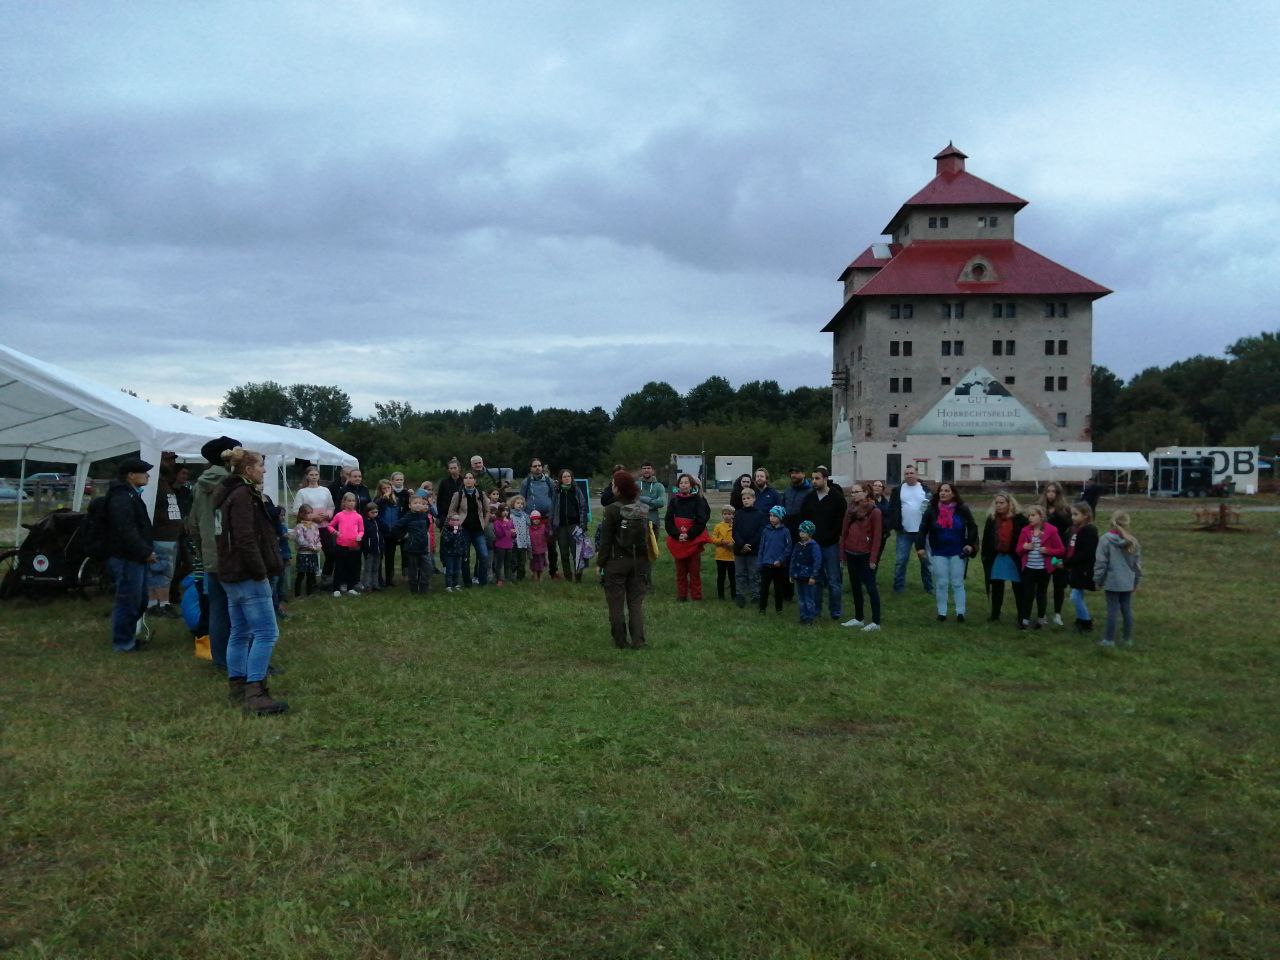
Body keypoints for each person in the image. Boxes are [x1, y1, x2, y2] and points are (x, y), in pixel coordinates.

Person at [212, 446, 287, 715]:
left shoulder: (225, 493)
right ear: (247, 470)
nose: (264, 470)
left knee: (240, 632)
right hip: (246, 574)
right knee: (266, 633)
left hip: (230, 572)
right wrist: (260, 571)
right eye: (260, 465)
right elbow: (245, 538)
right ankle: (255, 692)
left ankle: (238, 685)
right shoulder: (244, 495)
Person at [187, 434, 241, 671]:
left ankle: (220, 658)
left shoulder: (200, 485)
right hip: (231, 554)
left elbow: (193, 523)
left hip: (211, 554)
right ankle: (241, 660)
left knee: (218, 609)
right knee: (240, 610)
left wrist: (203, 550)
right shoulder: (231, 483)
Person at [105, 458, 156, 653]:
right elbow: (126, 529)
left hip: (134, 557)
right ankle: (123, 642)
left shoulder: (131, 495)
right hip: (126, 557)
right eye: (143, 471)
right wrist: (144, 551)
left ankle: (127, 638)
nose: (147, 475)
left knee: (140, 599)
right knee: (128, 600)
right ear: (131, 475)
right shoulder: (122, 497)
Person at [596, 469, 651, 649]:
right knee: (636, 604)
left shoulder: (611, 509)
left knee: (616, 604)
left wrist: (600, 563)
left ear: (618, 489)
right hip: (639, 561)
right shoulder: (641, 508)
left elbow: (605, 540)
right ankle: (639, 641)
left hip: (617, 562)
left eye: (613, 484)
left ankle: (620, 641)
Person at [915, 482, 979, 622]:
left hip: (958, 551)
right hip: (938, 551)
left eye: (946, 490)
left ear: (953, 493)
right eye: (941, 491)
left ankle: (960, 612)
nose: (943, 493)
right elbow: (923, 529)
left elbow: (973, 527)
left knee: (957, 582)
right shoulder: (932, 510)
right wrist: (920, 547)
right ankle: (942, 612)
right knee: (942, 582)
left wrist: (969, 545)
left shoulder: (962, 509)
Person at [799, 467, 845, 622]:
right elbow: (803, 518)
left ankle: (835, 611)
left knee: (833, 580)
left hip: (830, 545)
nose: (814, 481)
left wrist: (830, 537)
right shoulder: (810, 497)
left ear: (825, 479)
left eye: (817, 478)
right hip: (813, 545)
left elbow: (840, 522)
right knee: (815, 579)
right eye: (813, 478)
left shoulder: (837, 498)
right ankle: (816, 609)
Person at [1093, 511, 1142, 648]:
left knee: (1112, 610)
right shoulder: (1133, 541)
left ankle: (1109, 640)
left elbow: (1101, 563)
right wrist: (1136, 582)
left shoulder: (1105, 540)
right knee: (1126, 609)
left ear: (1111, 522)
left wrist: (1097, 580)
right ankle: (1127, 639)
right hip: (1128, 582)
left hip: (1112, 581)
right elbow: (1137, 565)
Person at [839, 481, 883, 632]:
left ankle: (876, 622)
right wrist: (842, 554)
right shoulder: (850, 510)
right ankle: (859, 618)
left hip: (865, 555)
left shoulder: (874, 512)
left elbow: (877, 537)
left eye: (857, 491)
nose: (854, 494)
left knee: (871, 588)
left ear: (865, 493)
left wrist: (873, 559)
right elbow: (844, 532)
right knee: (855, 587)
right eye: (852, 492)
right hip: (851, 553)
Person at [1015, 505, 1065, 630]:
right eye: (1029, 516)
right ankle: (1025, 619)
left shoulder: (1051, 531)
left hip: (1044, 569)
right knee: (1028, 594)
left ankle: (1041, 619)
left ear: (1041, 517)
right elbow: (1018, 549)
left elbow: (1061, 550)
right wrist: (1025, 547)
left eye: (1033, 515)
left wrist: (1048, 550)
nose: (1030, 518)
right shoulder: (1025, 531)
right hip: (1029, 568)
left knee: (1041, 594)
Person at [980, 491, 1026, 623]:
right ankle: (995, 614)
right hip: (997, 556)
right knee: (996, 585)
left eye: (1002, 503)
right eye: (997, 503)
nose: (999, 505)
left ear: (1009, 504)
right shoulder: (992, 519)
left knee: (1018, 587)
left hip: (1014, 557)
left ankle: (1022, 615)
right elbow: (987, 538)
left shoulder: (1020, 519)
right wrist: (985, 556)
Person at [664, 473, 710, 601]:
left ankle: (696, 595)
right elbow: (668, 520)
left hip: (693, 540)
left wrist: (689, 535)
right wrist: (677, 535)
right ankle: (682, 595)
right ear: (678, 485)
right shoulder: (674, 500)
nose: (683, 485)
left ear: (691, 485)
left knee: (694, 570)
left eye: (686, 482)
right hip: (678, 540)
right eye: (681, 483)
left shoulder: (698, 500)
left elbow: (701, 521)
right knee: (680, 571)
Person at [887, 465, 933, 594]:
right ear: (904, 475)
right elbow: (892, 509)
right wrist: (893, 525)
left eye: (911, 473)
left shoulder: (926, 490)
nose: (909, 475)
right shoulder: (898, 490)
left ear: (917, 474)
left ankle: (929, 587)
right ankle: (898, 588)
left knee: (926, 562)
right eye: (906, 473)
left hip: (922, 533)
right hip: (904, 533)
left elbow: (932, 509)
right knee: (901, 561)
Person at [147, 457, 184, 618]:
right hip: (161, 535)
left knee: (165, 571)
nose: (172, 463)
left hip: (169, 536)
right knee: (161, 571)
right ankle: (159, 604)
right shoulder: (155, 485)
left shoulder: (164, 484)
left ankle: (158, 603)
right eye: (168, 459)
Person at [448, 471, 490, 587]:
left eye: (471, 477)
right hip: (464, 529)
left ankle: (482, 581)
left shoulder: (481, 494)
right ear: (463, 481)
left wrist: (485, 524)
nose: (468, 479)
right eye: (466, 477)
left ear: (475, 481)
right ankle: (467, 582)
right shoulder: (458, 494)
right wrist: (456, 523)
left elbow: (487, 511)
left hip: (478, 530)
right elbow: (451, 511)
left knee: (484, 555)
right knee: (464, 557)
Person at [1064, 502, 1099, 634]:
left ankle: (1086, 621)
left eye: (1076, 514)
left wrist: (1070, 561)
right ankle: (1080, 619)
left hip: (1084, 567)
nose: (1073, 517)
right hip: (1075, 566)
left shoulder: (1089, 530)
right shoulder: (1073, 530)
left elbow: (1087, 552)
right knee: (1077, 593)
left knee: (1075, 596)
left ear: (1085, 515)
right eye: (1072, 514)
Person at [1041, 481, 1073, 626]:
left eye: (1053, 492)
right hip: (1044, 551)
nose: (1050, 494)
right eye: (1048, 491)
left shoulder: (1065, 510)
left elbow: (1069, 524)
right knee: (1043, 582)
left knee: (1059, 584)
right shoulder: (1041, 508)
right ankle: (1042, 614)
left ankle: (1057, 613)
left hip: (1059, 552)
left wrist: (1056, 514)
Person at [519, 459, 558, 578]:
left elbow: (554, 497)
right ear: (530, 468)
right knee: (534, 547)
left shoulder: (548, 481)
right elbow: (522, 499)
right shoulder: (526, 482)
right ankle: (535, 572)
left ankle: (553, 571)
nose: (537, 468)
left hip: (547, 518)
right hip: (532, 520)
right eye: (535, 466)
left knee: (551, 546)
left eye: (539, 466)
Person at [550, 469, 588, 582]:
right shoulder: (557, 492)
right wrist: (552, 524)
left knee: (577, 553)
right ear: (560, 479)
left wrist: (582, 524)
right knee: (564, 553)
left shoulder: (576, 490)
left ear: (572, 478)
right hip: (561, 527)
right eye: (564, 477)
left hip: (574, 525)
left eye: (568, 476)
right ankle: (568, 576)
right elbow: (553, 509)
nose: (567, 478)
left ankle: (578, 575)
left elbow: (583, 507)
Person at [732, 487, 766, 609]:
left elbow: (760, 532)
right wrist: (742, 544)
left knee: (753, 574)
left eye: (748, 498)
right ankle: (740, 594)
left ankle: (755, 594)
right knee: (740, 573)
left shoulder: (760, 514)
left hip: (753, 550)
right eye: (744, 499)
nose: (746, 500)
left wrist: (749, 545)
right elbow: (734, 531)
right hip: (739, 550)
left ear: (754, 499)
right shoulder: (738, 514)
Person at [395, 493, 433, 595]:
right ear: (410, 505)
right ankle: (414, 590)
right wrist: (404, 535)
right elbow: (396, 527)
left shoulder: (424, 516)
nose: (418, 505)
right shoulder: (408, 516)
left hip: (423, 547)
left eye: (420, 503)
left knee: (427, 568)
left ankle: (424, 588)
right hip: (412, 548)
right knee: (413, 570)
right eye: (415, 503)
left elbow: (427, 525)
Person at [757, 505, 792, 614]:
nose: (771, 518)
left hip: (779, 566)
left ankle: (779, 609)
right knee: (764, 589)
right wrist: (760, 562)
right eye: (770, 515)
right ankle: (762, 609)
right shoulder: (766, 530)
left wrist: (780, 560)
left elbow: (788, 548)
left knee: (778, 589)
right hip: (766, 565)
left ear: (781, 518)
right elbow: (761, 547)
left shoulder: (785, 532)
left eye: (775, 516)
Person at [328, 492, 364, 596]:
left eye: (353, 501)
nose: (351, 503)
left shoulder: (358, 516)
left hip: (353, 546)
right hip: (341, 546)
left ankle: (350, 587)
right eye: (349, 501)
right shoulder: (339, 515)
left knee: (352, 567)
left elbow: (361, 530)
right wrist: (336, 532)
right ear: (344, 502)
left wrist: (359, 536)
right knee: (339, 567)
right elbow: (330, 526)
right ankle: (336, 589)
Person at [437, 458, 467, 577]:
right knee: (446, 541)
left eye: (455, 467)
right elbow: (439, 500)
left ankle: (459, 566)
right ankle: (445, 565)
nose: (453, 470)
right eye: (451, 468)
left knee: (460, 541)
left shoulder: (465, 481)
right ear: (448, 470)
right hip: (446, 516)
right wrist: (441, 516)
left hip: (461, 516)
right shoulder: (444, 482)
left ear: (459, 468)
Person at [790, 520, 822, 626]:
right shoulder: (798, 545)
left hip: (809, 577)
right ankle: (803, 616)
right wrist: (791, 573)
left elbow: (817, 561)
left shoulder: (814, 546)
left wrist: (813, 576)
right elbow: (793, 559)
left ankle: (810, 618)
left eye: (804, 532)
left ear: (810, 533)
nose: (801, 534)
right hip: (798, 576)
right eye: (800, 531)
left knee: (809, 598)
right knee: (801, 598)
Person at [374, 478, 404, 587]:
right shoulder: (378, 500)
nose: (386, 490)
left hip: (393, 533)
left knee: (390, 557)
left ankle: (389, 580)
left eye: (388, 488)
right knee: (379, 557)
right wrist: (383, 499)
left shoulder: (396, 500)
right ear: (380, 490)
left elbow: (400, 515)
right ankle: (378, 579)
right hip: (382, 532)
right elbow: (375, 512)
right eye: (384, 488)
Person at [289, 504, 322, 599]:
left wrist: (318, 546)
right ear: (302, 515)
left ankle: (310, 592)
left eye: (311, 513)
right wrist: (311, 547)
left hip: (313, 554)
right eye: (308, 513)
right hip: (303, 554)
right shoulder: (299, 527)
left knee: (311, 574)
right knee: (301, 573)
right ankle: (298, 594)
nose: (310, 515)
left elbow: (317, 538)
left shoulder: (315, 526)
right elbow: (300, 541)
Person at [710, 506, 736, 601]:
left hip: (732, 556)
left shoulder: (736, 526)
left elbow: (738, 537)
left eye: (729, 514)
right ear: (722, 515)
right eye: (725, 514)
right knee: (721, 577)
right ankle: (721, 596)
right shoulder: (718, 526)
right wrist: (721, 541)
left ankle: (734, 595)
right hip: (720, 556)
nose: (727, 516)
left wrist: (733, 544)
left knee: (732, 577)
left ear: (733, 515)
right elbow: (713, 539)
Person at [360, 501, 384, 592]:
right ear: (367, 512)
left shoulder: (378, 521)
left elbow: (380, 534)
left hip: (378, 550)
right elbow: (364, 538)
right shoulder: (365, 522)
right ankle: (367, 585)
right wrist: (366, 549)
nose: (375, 514)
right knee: (368, 568)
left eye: (376, 512)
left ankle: (375, 584)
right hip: (369, 550)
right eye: (372, 512)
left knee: (376, 568)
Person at [509, 495, 531, 582]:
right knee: (514, 561)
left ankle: (520, 579)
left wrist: (528, 542)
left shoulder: (525, 516)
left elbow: (527, 529)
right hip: (514, 543)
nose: (520, 505)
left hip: (523, 542)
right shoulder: (510, 516)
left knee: (522, 562)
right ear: (513, 504)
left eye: (521, 503)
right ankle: (511, 576)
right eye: (518, 503)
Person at [441, 517, 467, 592]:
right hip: (449, 554)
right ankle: (448, 585)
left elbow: (463, 543)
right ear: (449, 521)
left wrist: (464, 554)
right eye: (453, 520)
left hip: (458, 554)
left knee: (457, 570)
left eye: (457, 520)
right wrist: (454, 534)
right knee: (449, 570)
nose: (455, 522)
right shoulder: (446, 530)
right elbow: (446, 542)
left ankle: (456, 584)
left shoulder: (461, 530)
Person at [491, 503, 514, 586]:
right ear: (500, 511)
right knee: (499, 563)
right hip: (500, 546)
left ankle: (508, 579)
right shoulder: (497, 522)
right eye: (503, 510)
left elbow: (513, 534)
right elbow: (499, 534)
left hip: (509, 545)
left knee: (508, 563)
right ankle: (499, 579)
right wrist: (505, 525)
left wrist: (514, 533)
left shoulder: (510, 521)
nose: (505, 512)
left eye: (507, 510)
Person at [528, 510, 549, 582]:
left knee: (541, 563)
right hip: (533, 549)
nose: (536, 520)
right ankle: (535, 575)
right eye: (534, 519)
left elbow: (547, 534)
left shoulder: (543, 527)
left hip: (541, 549)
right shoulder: (529, 528)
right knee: (534, 563)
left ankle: (541, 576)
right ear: (531, 520)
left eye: (537, 519)